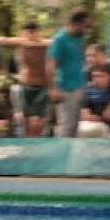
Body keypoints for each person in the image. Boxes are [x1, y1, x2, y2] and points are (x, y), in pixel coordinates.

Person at [0, 20, 52, 136]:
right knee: (26, 121)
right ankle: (29, 145)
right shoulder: (20, 44)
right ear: (24, 33)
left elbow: (58, 42)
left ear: (38, 32)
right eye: (28, 32)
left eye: (34, 32)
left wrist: (36, 42)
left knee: (37, 121)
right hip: (26, 85)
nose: (31, 34)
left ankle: (38, 144)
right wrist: (22, 41)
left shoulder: (46, 45)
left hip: (42, 85)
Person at [46, 10, 92, 138]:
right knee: (65, 126)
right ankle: (60, 153)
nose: (87, 30)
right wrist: (52, 88)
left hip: (78, 86)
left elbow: (80, 58)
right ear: (76, 24)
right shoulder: (59, 40)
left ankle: (71, 153)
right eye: (85, 26)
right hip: (65, 88)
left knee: (74, 126)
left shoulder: (79, 38)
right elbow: (50, 64)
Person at [76, 64, 110, 138]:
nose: (97, 79)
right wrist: (87, 116)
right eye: (94, 76)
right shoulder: (89, 91)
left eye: (101, 76)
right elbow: (84, 111)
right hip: (93, 124)